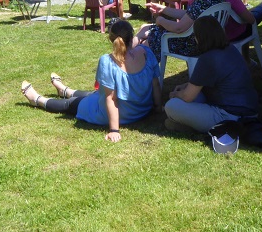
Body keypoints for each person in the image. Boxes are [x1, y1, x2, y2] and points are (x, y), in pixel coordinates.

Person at [21, 20, 161, 142]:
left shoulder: (107, 61)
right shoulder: (146, 52)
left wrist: (114, 130)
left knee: (71, 104)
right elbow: (155, 84)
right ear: (132, 37)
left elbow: (111, 99)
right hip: (142, 110)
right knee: (93, 95)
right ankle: (64, 90)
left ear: (111, 39)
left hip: (120, 115)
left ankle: (38, 100)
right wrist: (157, 109)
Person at [163, 16, 259, 133]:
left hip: (230, 117)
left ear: (200, 37)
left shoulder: (208, 58)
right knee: (193, 95)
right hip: (250, 111)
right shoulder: (230, 49)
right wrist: (185, 86)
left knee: (171, 106)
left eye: (195, 35)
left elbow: (188, 96)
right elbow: (204, 81)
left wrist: (175, 94)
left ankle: (192, 126)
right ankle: (191, 123)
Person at [139, 0, 226, 61]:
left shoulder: (202, 2)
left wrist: (160, 19)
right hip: (205, 43)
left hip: (192, 45)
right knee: (145, 30)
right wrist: (163, 9)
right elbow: (188, 14)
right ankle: (130, 57)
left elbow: (178, 28)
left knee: (148, 37)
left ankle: (131, 61)